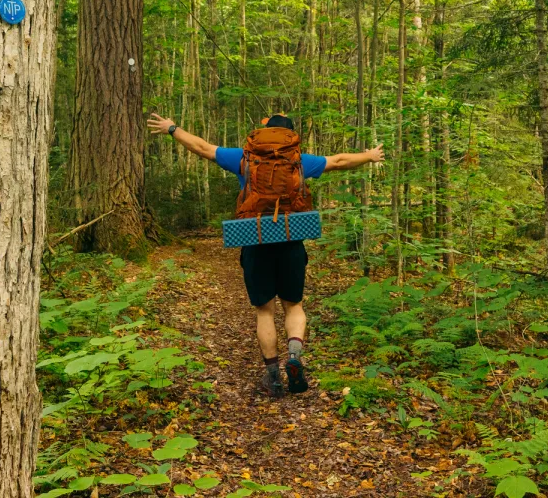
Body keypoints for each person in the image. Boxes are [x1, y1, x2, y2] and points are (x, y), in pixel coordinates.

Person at [147, 111, 383, 398]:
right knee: (293, 305)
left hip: (254, 239)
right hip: (291, 240)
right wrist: (369, 155)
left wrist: (172, 128)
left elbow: (202, 148)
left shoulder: (245, 158)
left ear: (263, 132)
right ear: (290, 135)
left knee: (264, 311)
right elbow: (339, 161)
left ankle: (272, 377)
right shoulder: (298, 161)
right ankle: (294, 355)